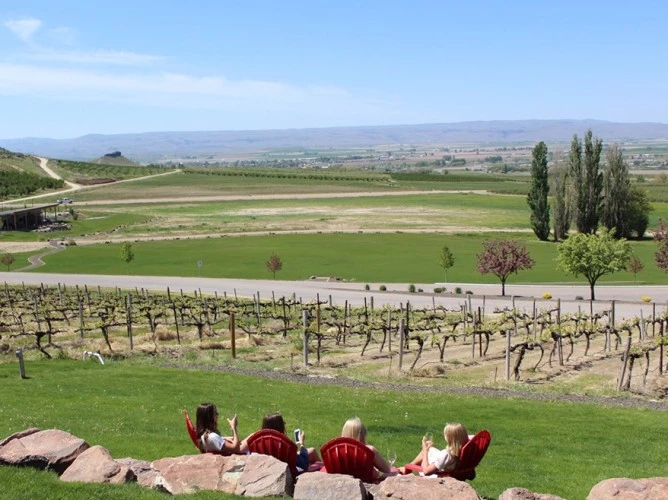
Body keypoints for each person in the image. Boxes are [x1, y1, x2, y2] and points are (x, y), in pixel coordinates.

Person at [240, 412, 320, 468]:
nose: (285, 423)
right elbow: (303, 464)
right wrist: (302, 444)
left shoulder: (255, 439)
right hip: (286, 471)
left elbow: (240, 449)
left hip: (262, 467)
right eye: (283, 422)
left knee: (311, 451)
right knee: (312, 451)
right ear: (280, 426)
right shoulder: (284, 443)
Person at [403, 422, 469, 475]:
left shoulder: (446, 454)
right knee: (430, 450)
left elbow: (426, 471)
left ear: (449, 438)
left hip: (438, 474)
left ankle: (407, 468)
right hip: (448, 466)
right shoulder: (466, 447)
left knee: (426, 452)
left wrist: (425, 449)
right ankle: (408, 467)